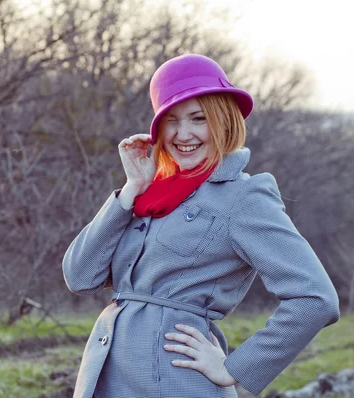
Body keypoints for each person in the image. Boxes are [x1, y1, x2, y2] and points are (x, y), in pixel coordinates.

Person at [61, 54, 340, 398]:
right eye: (171, 121)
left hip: (175, 383)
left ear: (223, 121)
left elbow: (314, 298)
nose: (184, 134)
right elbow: (79, 277)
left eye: (198, 118)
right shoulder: (149, 195)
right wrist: (131, 190)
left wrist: (234, 369)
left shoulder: (243, 196)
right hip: (109, 378)